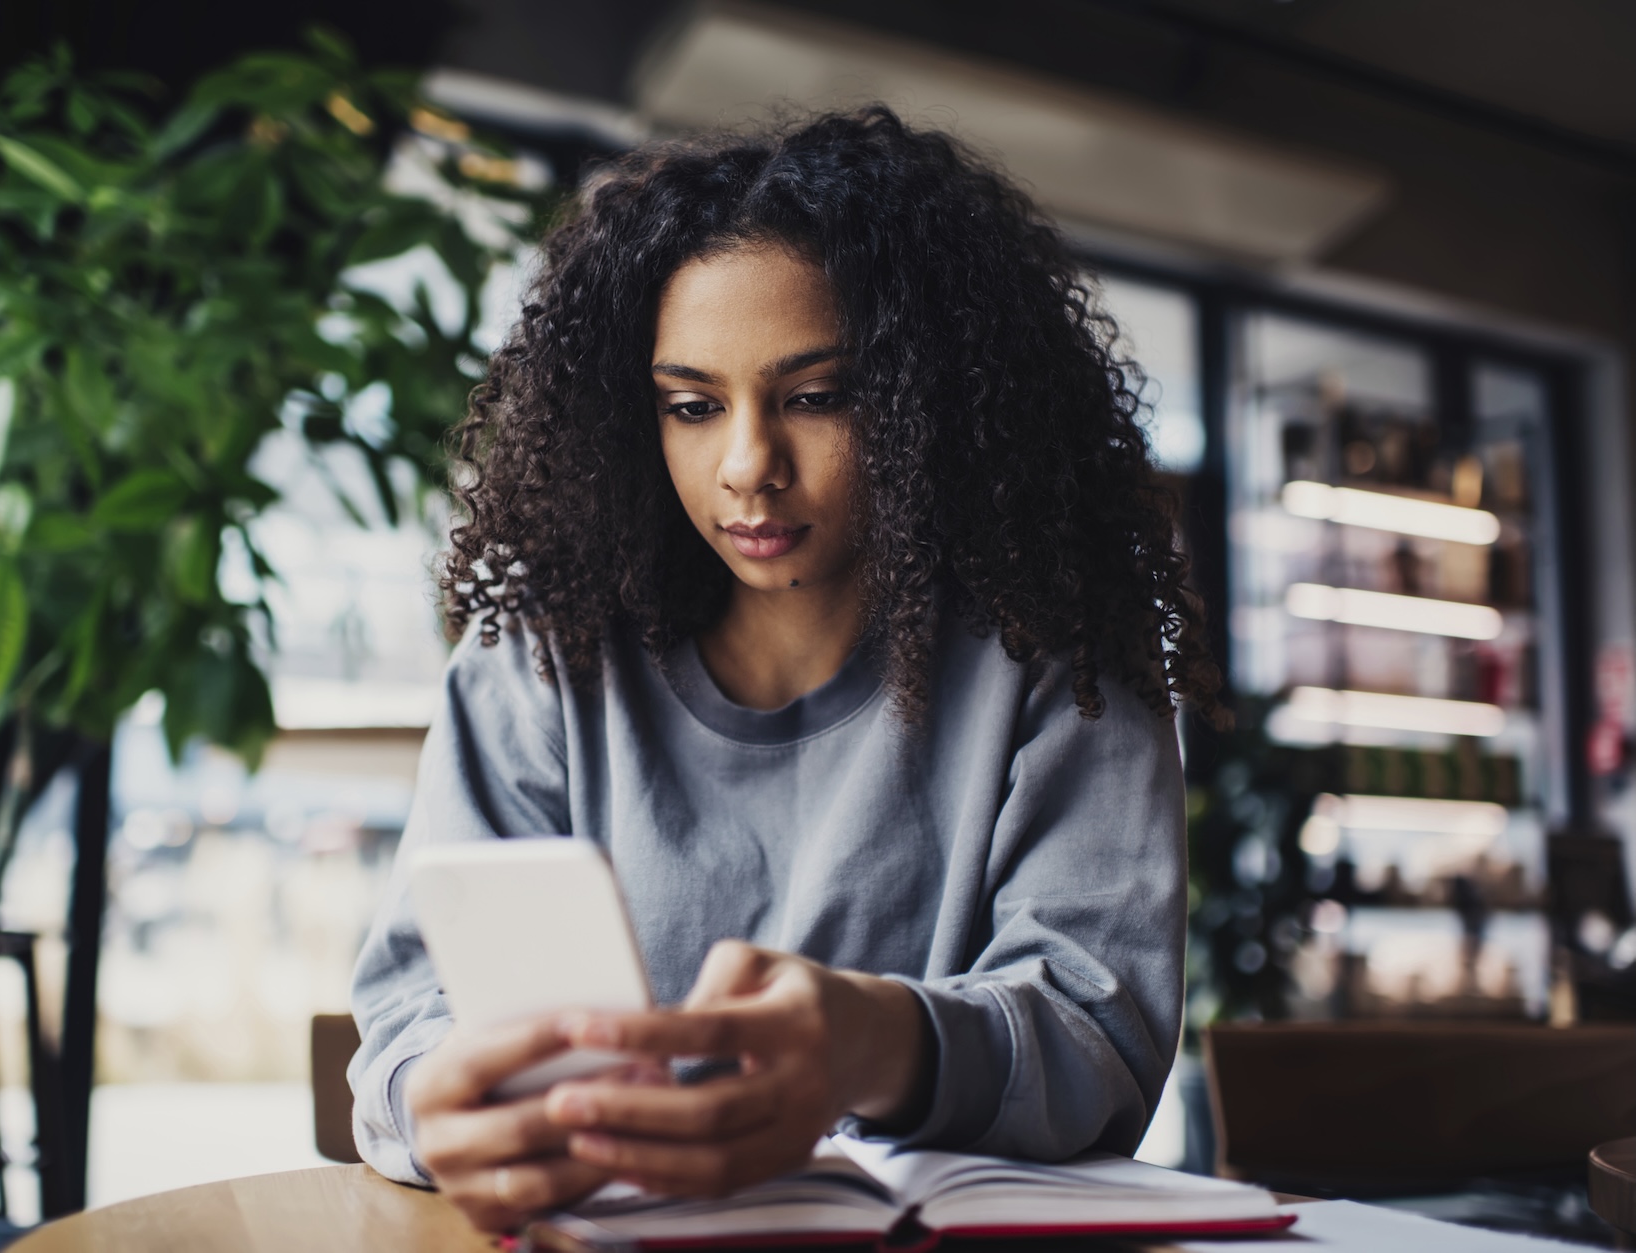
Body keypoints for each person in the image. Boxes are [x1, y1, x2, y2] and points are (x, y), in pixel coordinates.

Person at [347, 106, 1225, 1233]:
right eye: (690, 406)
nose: (747, 464)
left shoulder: (1056, 652)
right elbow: (408, 1016)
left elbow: (1099, 1039)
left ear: (927, 402)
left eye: (816, 396)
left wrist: (872, 1041)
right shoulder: (539, 652)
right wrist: (438, 1096)